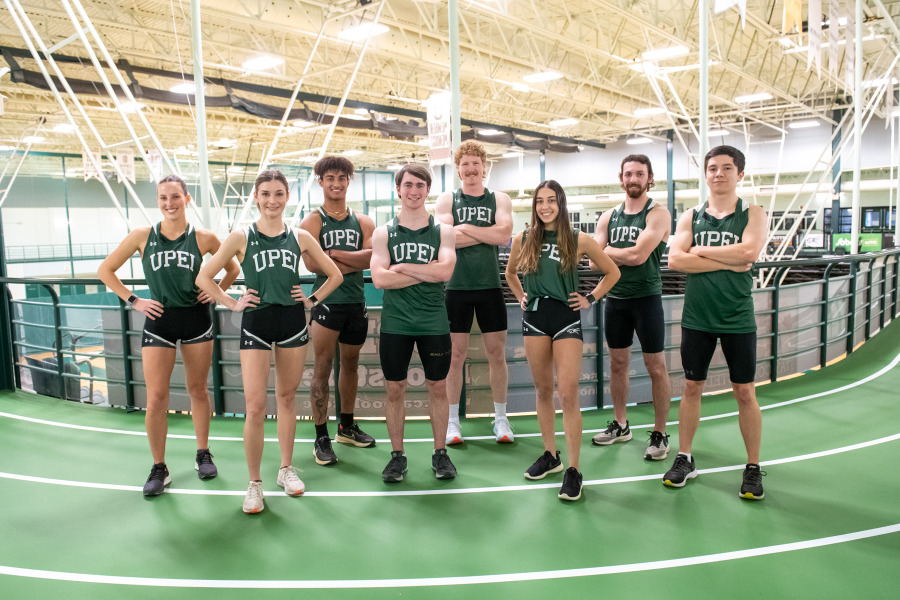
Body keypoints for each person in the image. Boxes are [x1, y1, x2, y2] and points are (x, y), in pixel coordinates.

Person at [196, 170, 342, 513]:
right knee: (256, 406)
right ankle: (254, 483)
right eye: (265, 194)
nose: (272, 200)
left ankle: (286, 470)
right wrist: (231, 302)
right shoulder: (240, 236)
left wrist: (312, 298)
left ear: (286, 196)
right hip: (256, 323)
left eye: (278, 193)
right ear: (256, 197)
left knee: (288, 398)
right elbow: (204, 276)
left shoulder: (301, 236)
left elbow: (334, 273)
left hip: (292, 322)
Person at [98, 174, 240, 497]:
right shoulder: (141, 236)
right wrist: (134, 300)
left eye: (175, 197)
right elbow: (105, 270)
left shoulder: (203, 237)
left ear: (187, 199)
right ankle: (159, 466)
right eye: (163, 198)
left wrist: (217, 292)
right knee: (156, 397)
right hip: (158, 320)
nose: (169, 203)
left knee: (198, 390)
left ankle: (203, 453)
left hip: (196, 319)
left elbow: (232, 268)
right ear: (157, 201)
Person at [506, 180, 620, 501]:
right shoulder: (523, 238)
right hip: (535, 317)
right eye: (540, 201)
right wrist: (520, 296)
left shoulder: (577, 238)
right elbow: (511, 274)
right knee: (543, 390)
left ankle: (573, 469)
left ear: (561, 203)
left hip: (566, 317)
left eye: (551, 201)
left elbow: (612, 272)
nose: (545, 207)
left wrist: (591, 298)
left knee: (567, 393)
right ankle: (550, 456)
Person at [664, 145, 767, 500]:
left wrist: (700, 252)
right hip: (698, 318)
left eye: (727, 168)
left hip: (738, 318)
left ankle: (752, 466)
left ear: (740, 174)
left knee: (744, 392)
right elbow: (676, 261)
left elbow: (749, 253)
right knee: (691, 388)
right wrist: (730, 259)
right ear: (705, 174)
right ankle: (685, 457)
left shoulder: (753, 212)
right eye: (712, 168)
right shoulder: (690, 217)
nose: (719, 173)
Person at [371, 164, 458, 483]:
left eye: (420, 185)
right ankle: (397, 457)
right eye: (408, 185)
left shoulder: (443, 231)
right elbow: (379, 279)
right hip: (396, 324)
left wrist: (404, 266)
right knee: (395, 390)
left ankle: (440, 453)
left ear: (427, 190)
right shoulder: (383, 233)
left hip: (434, 322)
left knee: (438, 388)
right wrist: (426, 269)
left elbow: (445, 273)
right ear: (398, 190)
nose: (414, 190)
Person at [590, 154, 672, 460]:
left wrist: (608, 251)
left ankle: (661, 432)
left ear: (649, 178)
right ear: (621, 177)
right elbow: (592, 260)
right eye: (629, 174)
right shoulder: (608, 217)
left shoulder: (658, 214)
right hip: (616, 300)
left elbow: (638, 256)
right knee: (617, 365)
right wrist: (610, 253)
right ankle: (621, 425)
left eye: (640, 174)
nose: (633, 179)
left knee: (656, 367)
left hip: (647, 300)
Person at [435, 141, 514, 444]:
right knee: (455, 356)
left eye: (475, 163)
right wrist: (484, 233)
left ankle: (501, 419)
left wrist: (465, 227)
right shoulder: (447, 199)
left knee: (496, 354)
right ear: (458, 169)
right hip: (456, 288)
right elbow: (446, 239)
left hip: (490, 288)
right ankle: (452, 421)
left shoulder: (500, 199)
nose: (470, 169)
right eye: (465, 164)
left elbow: (504, 235)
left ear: (484, 167)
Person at [300, 157, 376, 466]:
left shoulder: (364, 221)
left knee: (352, 364)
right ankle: (321, 435)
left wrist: (332, 254)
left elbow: (370, 259)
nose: (336, 183)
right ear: (320, 181)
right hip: (327, 304)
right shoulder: (312, 221)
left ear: (349, 181)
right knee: (322, 367)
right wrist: (349, 260)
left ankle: (346, 426)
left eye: (342, 178)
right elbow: (311, 263)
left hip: (356, 303)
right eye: (330, 177)